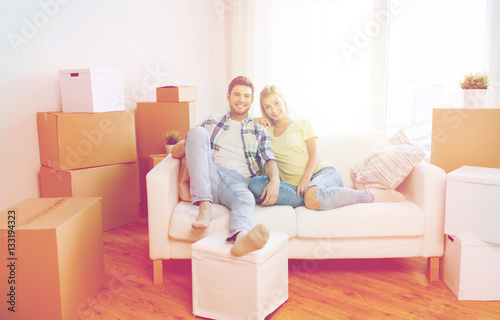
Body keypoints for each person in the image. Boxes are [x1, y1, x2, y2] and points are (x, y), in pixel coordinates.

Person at [170, 76, 281, 256]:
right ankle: (204, 207)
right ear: (228, 97)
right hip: (209, 174)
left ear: (252, 100)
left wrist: (275, 179)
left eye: (246, 96)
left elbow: (269, 158)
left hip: (239, 182)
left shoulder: (259, 130)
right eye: (237, 95)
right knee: (197, 132)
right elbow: (175, 152)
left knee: (246, 199)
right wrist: (191, 140)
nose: (241, 100)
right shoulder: (211, 121)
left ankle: (242, 238)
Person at [249, 85, 405, 210]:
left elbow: (315, 154)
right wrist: (253, 119)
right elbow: (237, 123)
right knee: (254, 184)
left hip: (321, 174)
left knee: (312, 195)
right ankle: (314, 198)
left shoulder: (302, 123)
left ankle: (367, 196)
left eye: (276, 103)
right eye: (268, 107)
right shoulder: (266, 132)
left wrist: (306, 178)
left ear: (283, 101)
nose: (274, 110)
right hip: (292, 188)